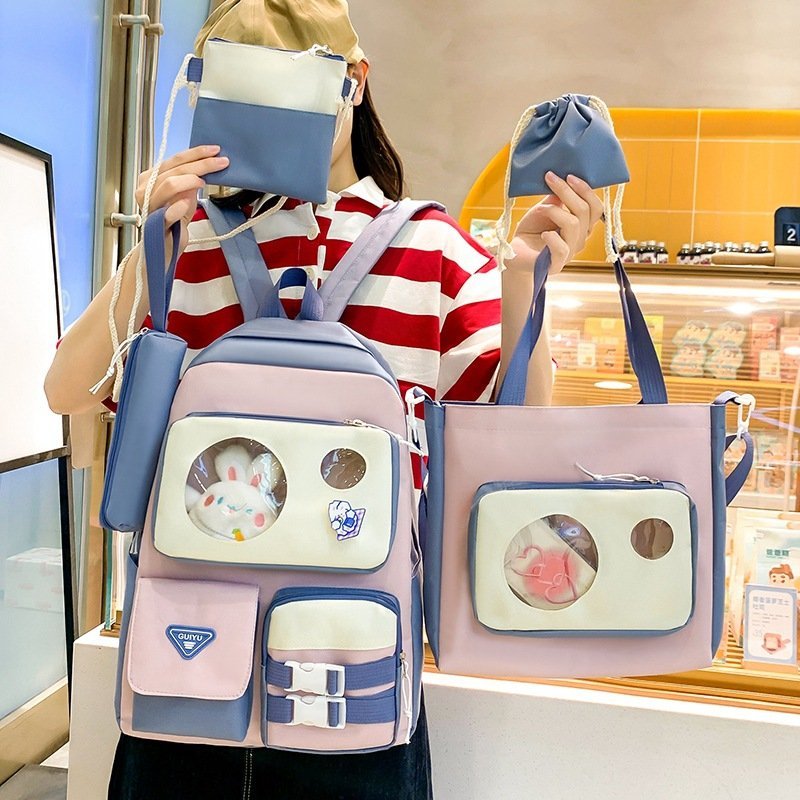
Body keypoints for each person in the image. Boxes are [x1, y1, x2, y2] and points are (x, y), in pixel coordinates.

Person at [45, 2, 603, 797]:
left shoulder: (434, 251)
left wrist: (525, 282)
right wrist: (151, 246)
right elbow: (66, 390)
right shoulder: (189, 242)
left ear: (355, 81)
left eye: (291, 81)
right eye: (240, 85)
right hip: (196, 677)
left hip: (337, 671)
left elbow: (518, 445)